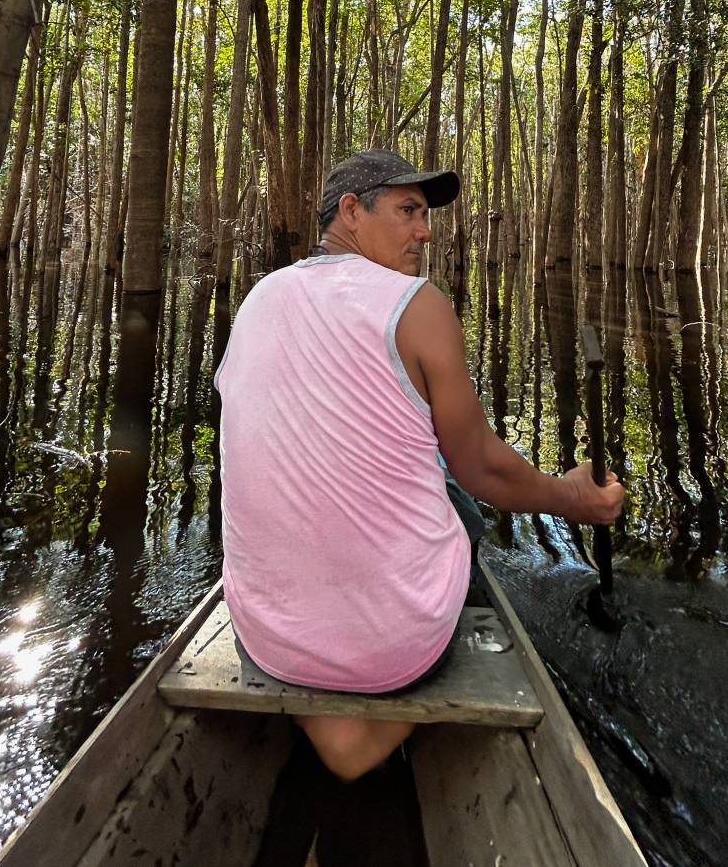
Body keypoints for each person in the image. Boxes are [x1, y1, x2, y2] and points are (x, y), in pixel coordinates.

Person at [216, 148, 624, 782]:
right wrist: (576, 498)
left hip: (266, 638)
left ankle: (333, 726)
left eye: (425, 215)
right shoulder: (416, 303)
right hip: (393, 651)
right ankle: (363, 729)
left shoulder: (260, 296)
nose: (425, 231)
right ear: (351, 212)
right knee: (462, 504)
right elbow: (484, 468)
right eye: (408, 211)